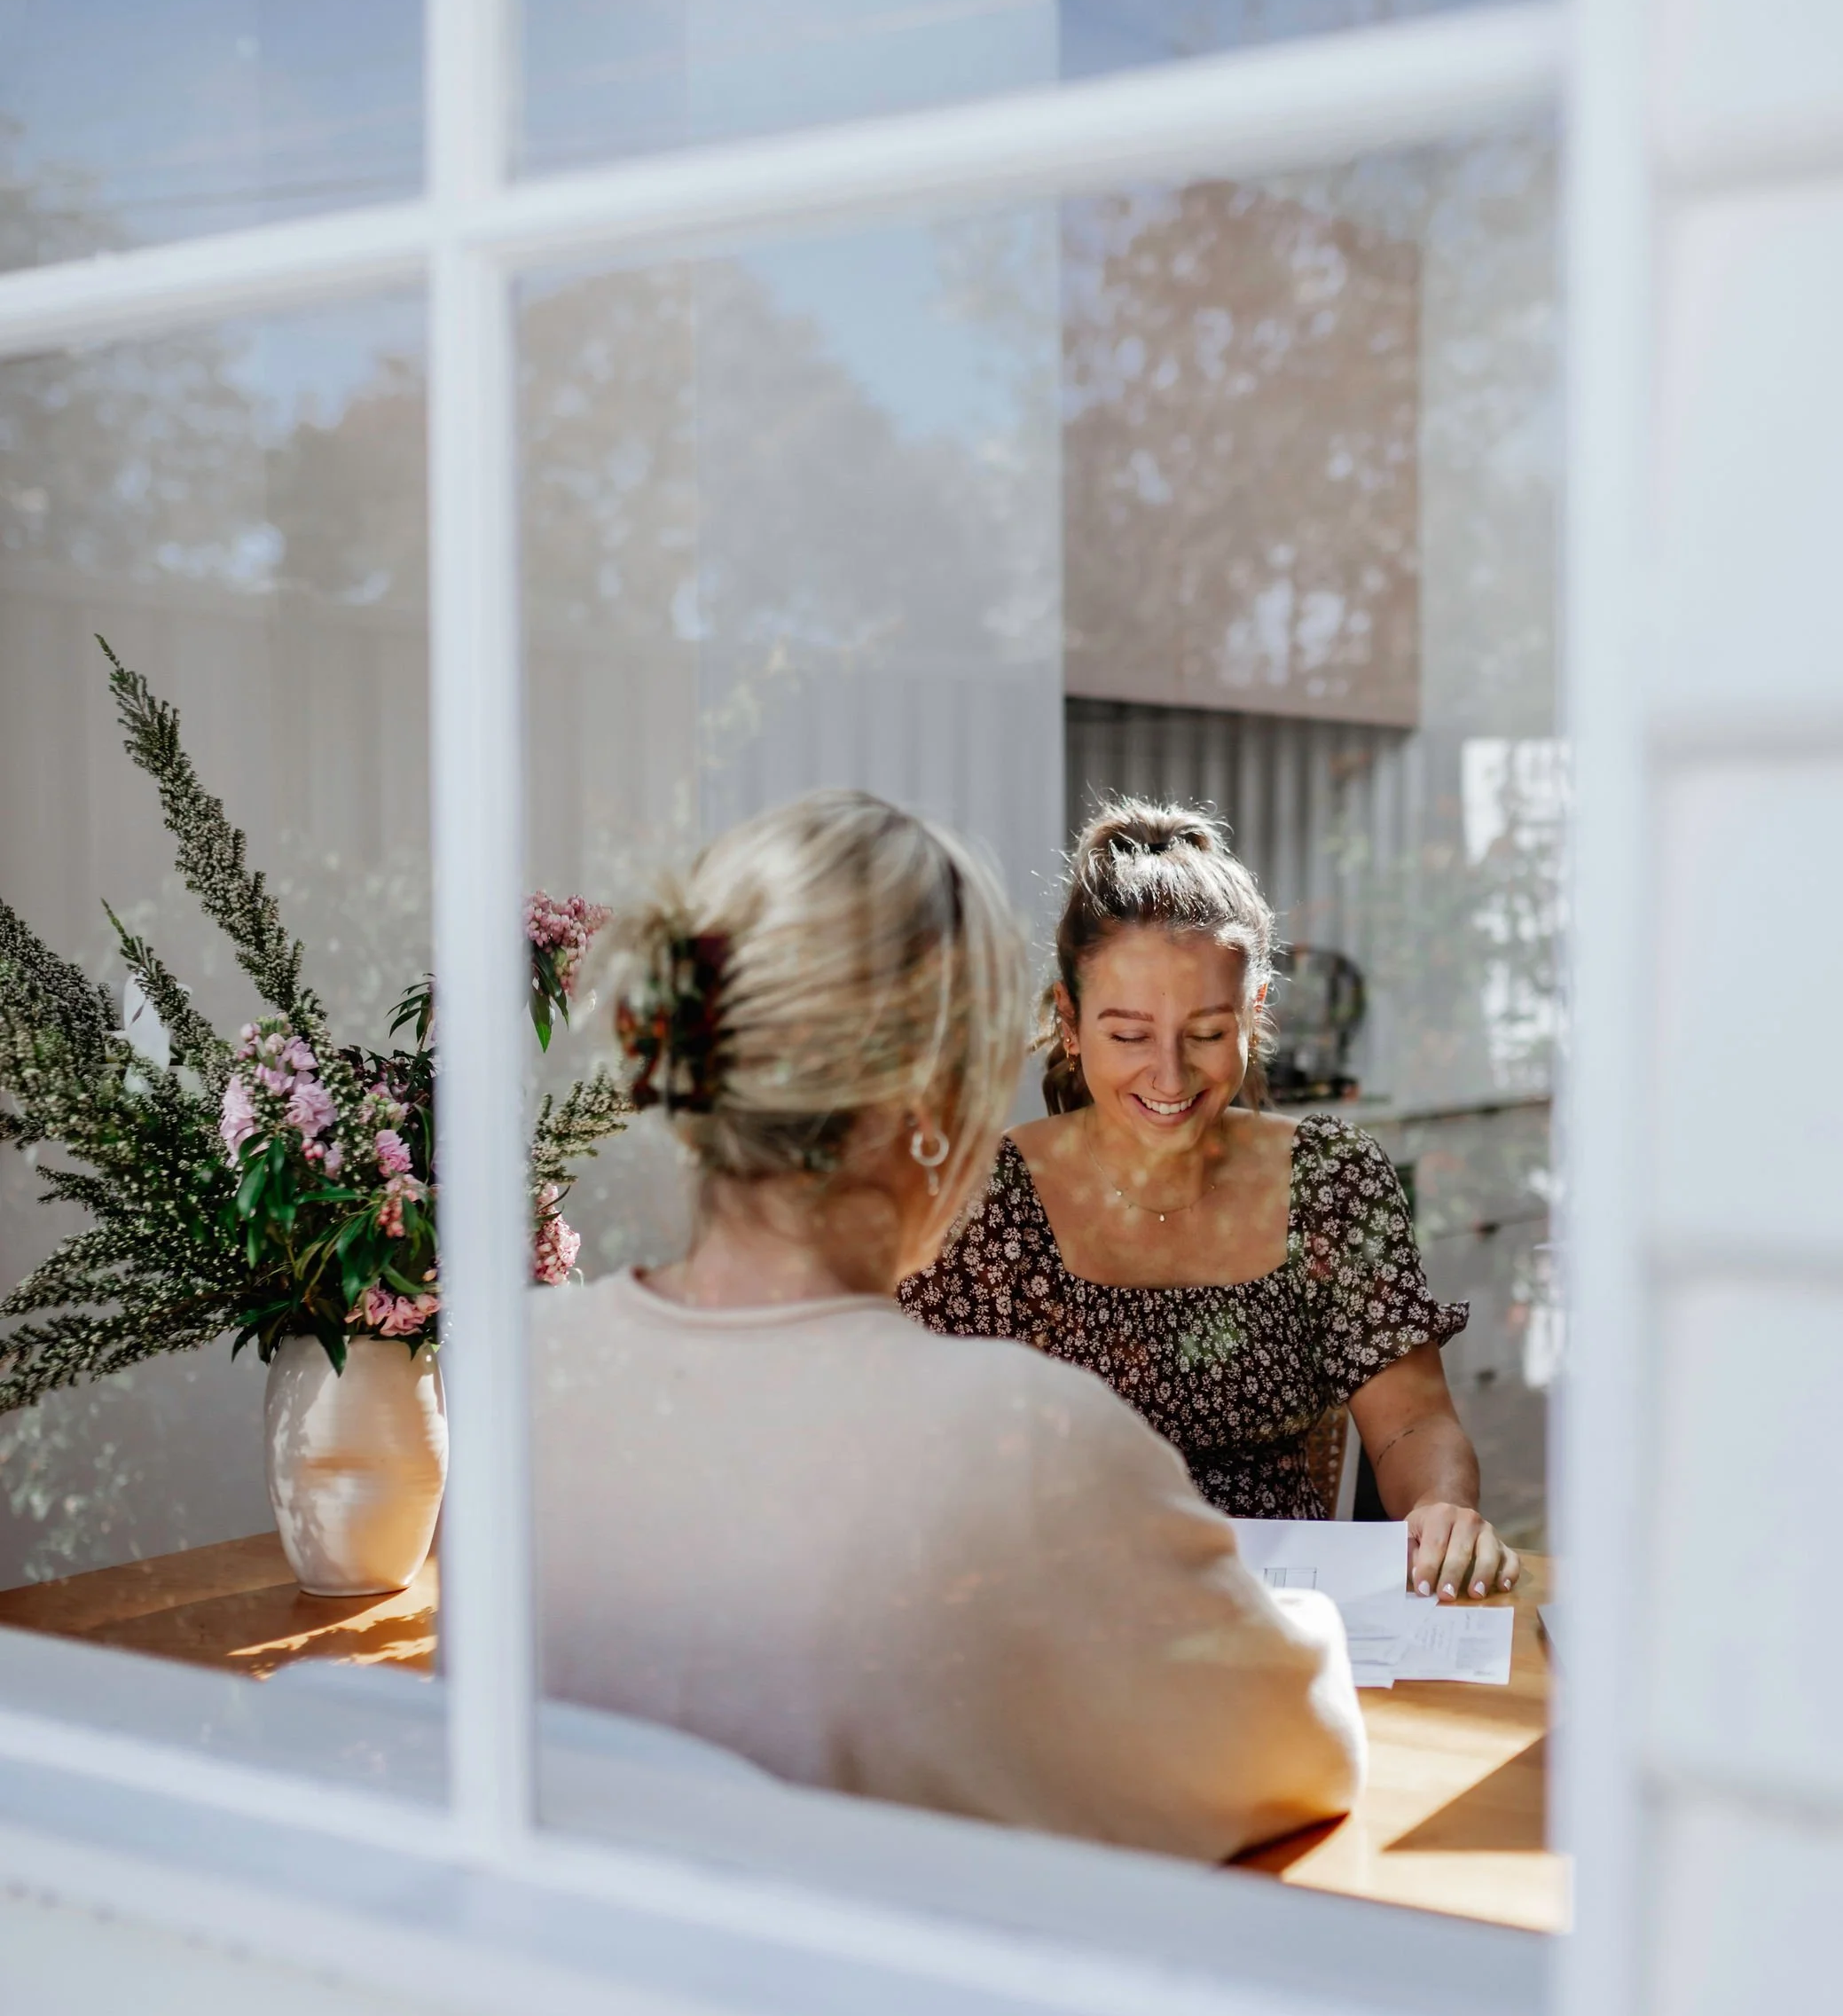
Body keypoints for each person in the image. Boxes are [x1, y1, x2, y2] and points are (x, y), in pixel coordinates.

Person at [531, 788, 1363, 1862]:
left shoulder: (525, 1374)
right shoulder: (1021, 1433)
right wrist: (1312, 1625)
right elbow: (1302, 1755)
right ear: (935, 1101)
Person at [901, 799, 1520, 1604]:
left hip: (1282, 1623)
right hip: (1052, 1621)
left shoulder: (1330, 1180)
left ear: (1252, 1017)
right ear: (1071, 1022)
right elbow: (913, 1460)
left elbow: (1411, 1423)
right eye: (1128, 1036)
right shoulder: (978, 1204)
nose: (1169, 1076)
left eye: (1205, 1034)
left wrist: (1442, 1509)